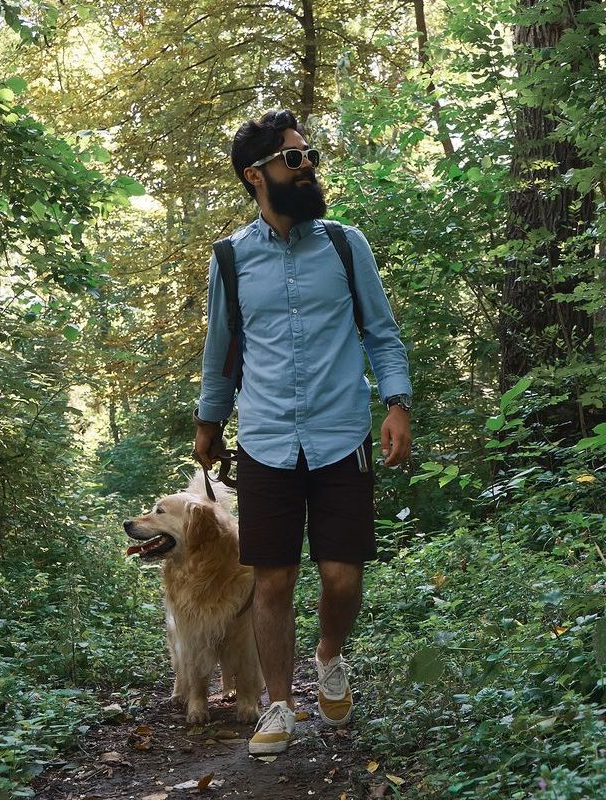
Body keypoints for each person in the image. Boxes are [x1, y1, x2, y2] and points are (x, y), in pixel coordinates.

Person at [193, 110, 412, 756]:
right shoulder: (230, 260)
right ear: (255, 176)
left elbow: (382, 331)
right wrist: (209, 424)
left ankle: (331, 654)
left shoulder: (347, 246)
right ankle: (280, 706)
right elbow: (220, 352)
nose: (308, 164)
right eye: (294, 158)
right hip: (264, 441)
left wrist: (396, 403)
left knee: (342, 577)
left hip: (342, 432)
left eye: (308, 153)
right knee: (275, 580)